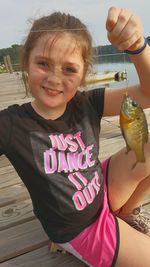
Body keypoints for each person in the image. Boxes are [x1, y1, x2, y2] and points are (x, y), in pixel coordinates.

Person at [1, 6, 150, 267]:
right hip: (83, 229)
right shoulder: (11, 124)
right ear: (26, 62)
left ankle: (126, 214)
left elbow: (148, 94)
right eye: (43, 63)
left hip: (100, 188)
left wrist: (138, 47)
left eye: (69, 69)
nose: (55, 78)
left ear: (83, 74)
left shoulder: (88, 102)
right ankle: (72, 244)